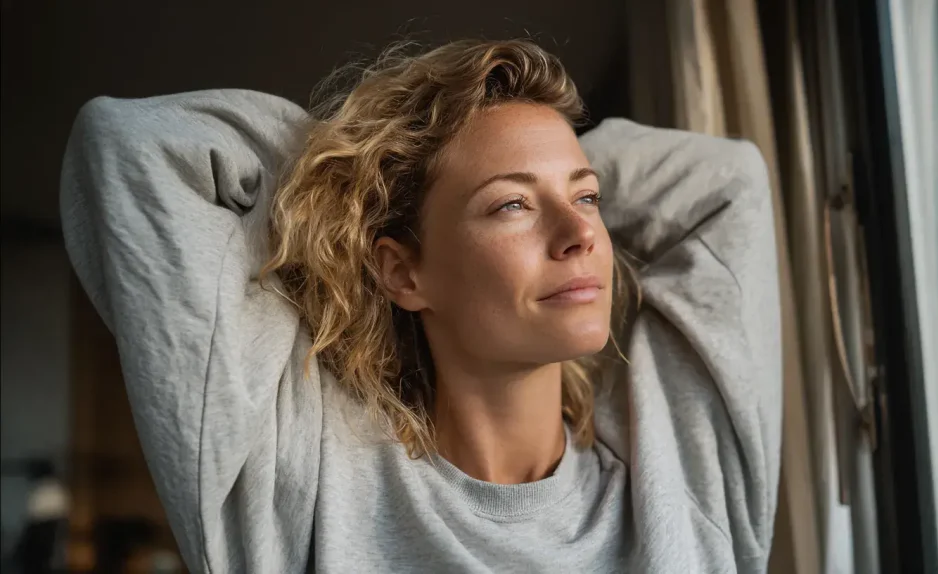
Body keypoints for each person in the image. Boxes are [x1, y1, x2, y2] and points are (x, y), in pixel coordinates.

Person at [60, 39, 782, 573]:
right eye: (511, 206)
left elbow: (725, 183)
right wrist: (351, 170)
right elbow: (131, 148)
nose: (581, 235)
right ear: (403, 274)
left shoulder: (678, 473)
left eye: (588, 196)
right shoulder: (311, 484)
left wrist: (520, 152)